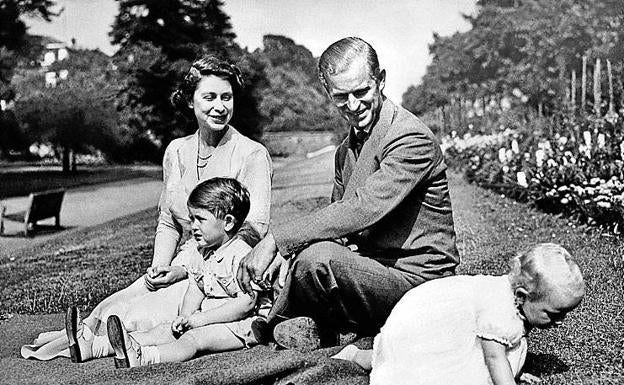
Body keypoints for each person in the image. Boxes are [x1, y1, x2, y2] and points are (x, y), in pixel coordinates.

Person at [21, 55, 272, 362]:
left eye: (226, 97)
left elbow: (254, 228)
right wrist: (159, 270)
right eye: (209, 97)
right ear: (190, 100)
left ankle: (100, 347)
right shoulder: (176, 151)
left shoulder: (251, 154)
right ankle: (85, 341)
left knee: (135, 315)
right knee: (112, 305)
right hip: (181, 261)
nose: (219, 106)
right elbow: (168, 221)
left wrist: (190, 271)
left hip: (222, 272)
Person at [238, 37, 459, 350]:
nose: (353, 106)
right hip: (372, 272)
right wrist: (288, 255)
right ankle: (313, 322)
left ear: (380, 80)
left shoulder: (409, 137)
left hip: (420, 283)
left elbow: (361, 209)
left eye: (362, 92)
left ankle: (280, 324)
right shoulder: (345, 151)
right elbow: (338, 227)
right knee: (311, 252)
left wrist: (277, 241)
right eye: (341, 96)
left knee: (318, 257)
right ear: (328, 92)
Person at [331, 243, 585, 385]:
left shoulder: (516, 304)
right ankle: (355, 356)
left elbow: (506, 352)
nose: (559, 322)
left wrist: (515, 372)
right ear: (521, 296)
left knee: (400, 359)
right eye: (553, 314)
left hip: (443, 323)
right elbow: (495, 359)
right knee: (417, 365)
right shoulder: (499, 306)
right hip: (425, 323)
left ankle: (361, 356)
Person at [107, 177, 268, 367]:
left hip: (244, 325)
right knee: (165, 329)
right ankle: (99, 345)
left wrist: (199, 320)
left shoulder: (242, 255)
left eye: (200, 219)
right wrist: (184, 316)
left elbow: (245, 304)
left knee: (193, 338)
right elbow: (196, 288)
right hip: (208, 317)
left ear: (228, 222)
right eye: (191, 219)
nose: (193, 227)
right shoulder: (203, 252)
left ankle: (143, 357)